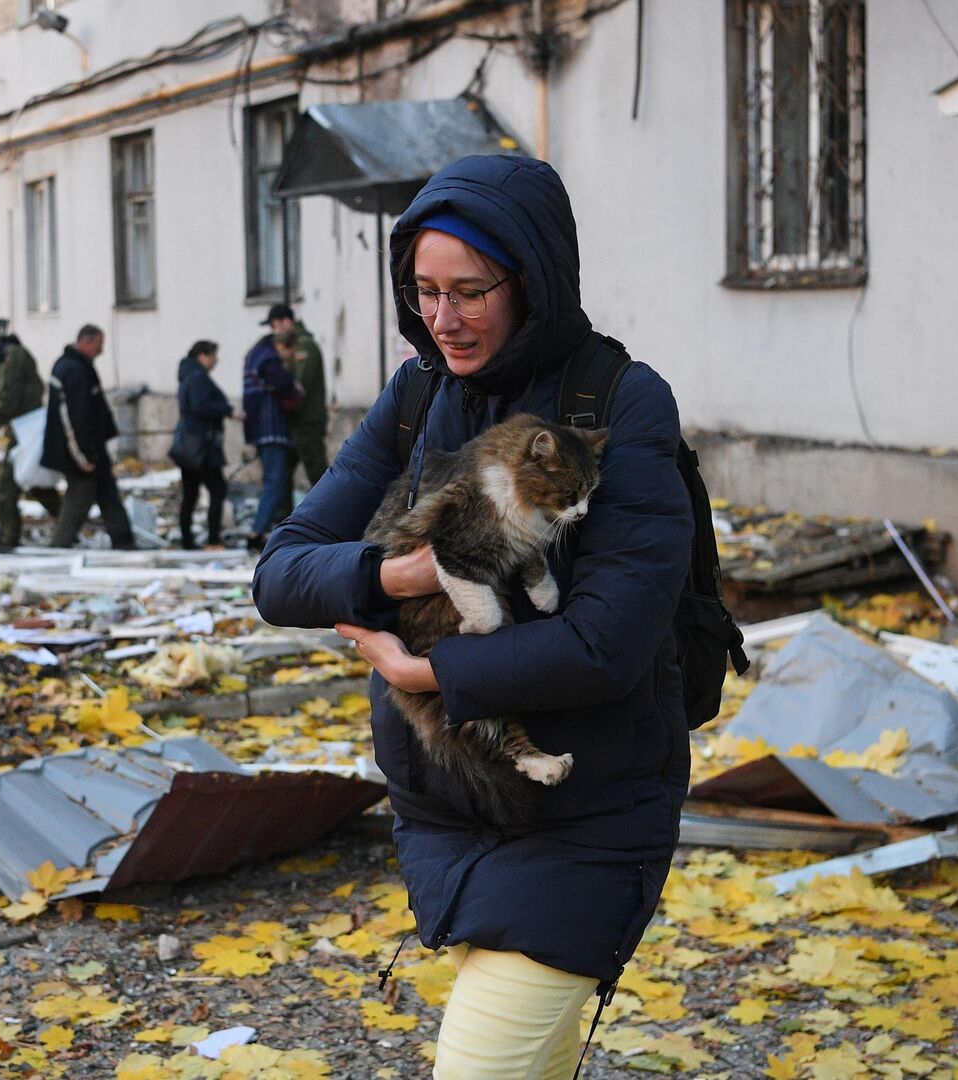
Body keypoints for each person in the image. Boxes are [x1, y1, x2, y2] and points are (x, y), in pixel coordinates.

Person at [252, 157, 691, 1078]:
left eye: (470, 291)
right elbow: (282, 574)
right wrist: (404, 572)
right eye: (424, 292)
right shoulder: (416, 399)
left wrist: (431, 675)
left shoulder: (617, 403)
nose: (443, 319)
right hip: (444, 811)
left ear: (531, 280)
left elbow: (609, 644)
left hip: (587, 813)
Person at [42, 324, 136, 549]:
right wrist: (83, 456)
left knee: (108, 495)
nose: (102, 351)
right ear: (87, 342)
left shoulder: (76, 366)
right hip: (81, 452)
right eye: (99, 345)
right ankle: (59, 546)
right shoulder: (75, 370)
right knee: (78, 501)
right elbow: (74, 419)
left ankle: (124, 542)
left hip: (91, 449)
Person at [0, 315, 62, 548]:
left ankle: (8, 542)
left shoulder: (13, 357)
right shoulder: (12, 356)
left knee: (8, 489)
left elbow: (12, 398)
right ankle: (68, 527)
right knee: (34, 483)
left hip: (25, 431)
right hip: (24, 430)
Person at [241, 312, 301, 550]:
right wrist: (294, 388)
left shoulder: (256, 353)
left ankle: (264, 528)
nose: (287, 359)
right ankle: (256, 532)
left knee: (274, 480)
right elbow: (283, 383)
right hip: (270, 426)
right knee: (276, 481)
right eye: (288, 353)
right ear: (282, 346)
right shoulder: (267, 357)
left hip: (261, 425)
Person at [171, 340, 233, 549]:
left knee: (190, 493)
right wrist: (226, 409)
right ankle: (213, 539)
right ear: (203, 355)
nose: (216, 361)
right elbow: (201, 406)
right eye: (213, 356)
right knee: (217, 490)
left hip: (190, 446)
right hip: (203, 447)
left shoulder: (187, 374)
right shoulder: (198, 377)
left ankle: (187, 540)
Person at [265, 303, 330, 487]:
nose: (273, 331)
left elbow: (301, 384)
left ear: (285, 322)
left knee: (317, 473)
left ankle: (331, 513)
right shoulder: (292, 345)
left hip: (306, 422)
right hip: (295, 422)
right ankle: (284, 515)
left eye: (274, 325)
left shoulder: (304, 346)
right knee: (283, 476)